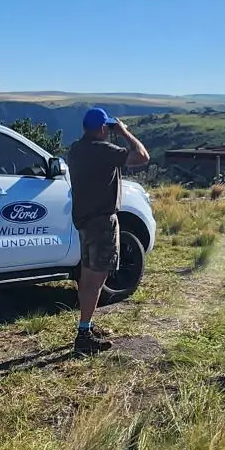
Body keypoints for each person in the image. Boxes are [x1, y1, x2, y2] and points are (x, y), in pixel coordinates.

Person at [66, 107, 149, 353]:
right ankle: (83, 335)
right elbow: (142, 157)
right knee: (96, 278)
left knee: (87, 276)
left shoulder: (76, 149)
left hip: (83, 220)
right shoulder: (102, 150)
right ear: (103, 128)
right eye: (108, 127)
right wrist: (123, 132)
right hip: (101, 222)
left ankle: (87, 324)